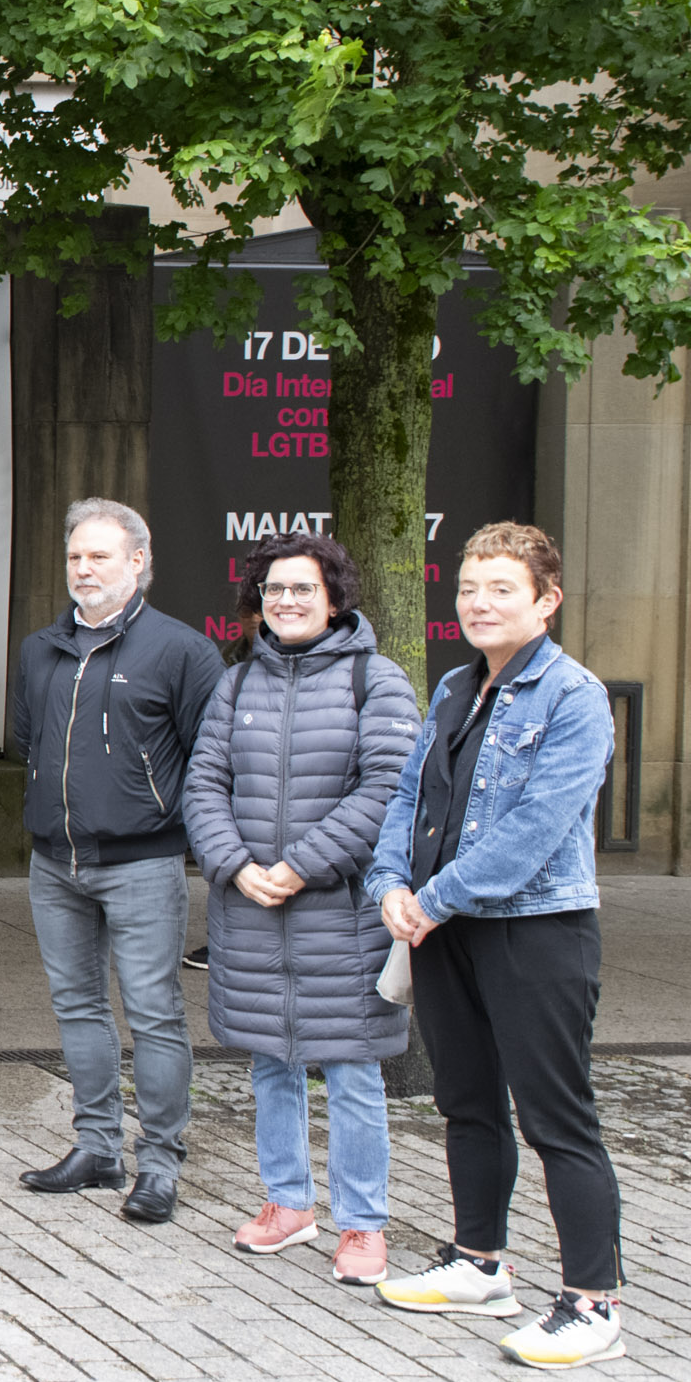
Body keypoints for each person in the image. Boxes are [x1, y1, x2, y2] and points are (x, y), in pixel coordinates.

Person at [369, 523, 629, 1369]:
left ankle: (592, 1301)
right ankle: (478, 1262)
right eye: (469, 588)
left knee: (558, 1119)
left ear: (547, 600)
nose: (479, 603)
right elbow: (409, 798)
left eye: (501, 589)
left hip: (536, 933)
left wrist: (433, 898)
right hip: (443, 930)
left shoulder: (574, 696)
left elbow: (538, 828)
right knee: (468, 1103)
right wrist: (389, 886)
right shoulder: (452, 685)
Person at [182, 531, 418, 1286]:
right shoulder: (236, 683)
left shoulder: (376, 682)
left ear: (335, 597)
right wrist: (236, 866)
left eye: (302, 588)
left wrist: (298, 866)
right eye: (274, 589)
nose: (285, 600)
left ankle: (362, 1222)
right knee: (269, 1064)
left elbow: (386, 791)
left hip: (338, 916)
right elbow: (203, 787)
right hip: (250, 910)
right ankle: (288, 1202)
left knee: (352, 1072)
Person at [9, 499, 226, 1222]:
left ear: (139, 560)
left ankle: (160, 1162)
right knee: (76, 1008)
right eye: (75, 555)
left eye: (100, 555)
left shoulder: (183, 651)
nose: (84, 568)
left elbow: (210, 761)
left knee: (155, 1013)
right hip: (54, 862)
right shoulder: (40, 647)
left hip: (143, 863)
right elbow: (27, 741)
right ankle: (97, 1148)